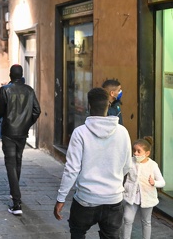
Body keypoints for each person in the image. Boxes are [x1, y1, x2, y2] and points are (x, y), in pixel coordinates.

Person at [54, 87, 132, 239]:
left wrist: (60, 199)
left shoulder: (80, 133)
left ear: (89, 107)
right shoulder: (123, 132)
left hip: (85, 200)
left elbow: (71, 170)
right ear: (108, 106)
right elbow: (127, 166)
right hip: (113, 200)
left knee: (77, 232)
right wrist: (114, 184)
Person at [0, 64, 41, 215]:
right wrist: (27, 123)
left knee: (11, 164)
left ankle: (16, 202)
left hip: (8, 132)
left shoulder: (4, 90)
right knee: (17, 161)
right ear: (21, 75)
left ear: (10, 75)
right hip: (22, 133)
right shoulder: (29, 90)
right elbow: (37, 111)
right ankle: (15, 192)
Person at [122, 136, 165, 239]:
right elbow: (121, 174)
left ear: (147, 153)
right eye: (134, 151)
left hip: (147, 197)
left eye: (138, 151)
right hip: (131, 196)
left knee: (146, 221)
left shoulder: (153, 165)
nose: (135, 153)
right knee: (127, 219)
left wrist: (154, 182)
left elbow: (162, 182)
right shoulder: (130, 162)